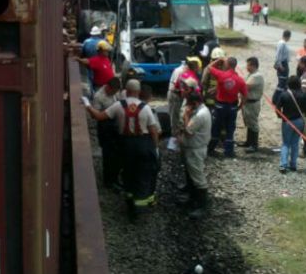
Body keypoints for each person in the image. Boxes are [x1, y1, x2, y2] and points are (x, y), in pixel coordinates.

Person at [85, 79, 160, 221]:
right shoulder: (146, 108)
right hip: (143, 143)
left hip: (125, 145)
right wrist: (155, 148)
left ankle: (129, 202)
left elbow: (99, 116)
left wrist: (88, 105)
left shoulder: (118, 105)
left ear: (126, 90)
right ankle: (139, 209)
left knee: (128, 172)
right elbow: (153, 130)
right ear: (138, 92)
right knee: (142, 173)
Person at [177, 91, 213, 219]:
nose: (187, 106)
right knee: (191, 175)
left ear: (195, 103)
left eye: (189, 104)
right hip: (193, 148)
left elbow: (188, 132)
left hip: (195, 150)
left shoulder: (200, 115)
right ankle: (192, 199)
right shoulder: (202, 109)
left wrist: (186, 116)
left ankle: (202, 207)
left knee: (198, 177)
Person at [83, 77, 123, 189]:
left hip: (114, 126)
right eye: (114, 91)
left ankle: (115, 178)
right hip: (105, 127)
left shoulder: (114, 93)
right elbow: (94, 115)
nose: (115, 93)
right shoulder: (99, 97)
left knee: (117, 155)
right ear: (108, 87)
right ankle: (109, 182)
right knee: (108, 156)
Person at [206, 56, 248, 158]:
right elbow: (245, 96)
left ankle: (210, 149)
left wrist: (218, 60)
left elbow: (209, 67)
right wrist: (240, 106)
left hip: (220, 106)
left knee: (216, 128)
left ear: (227, 64)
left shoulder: (221, 75)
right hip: (232, 107)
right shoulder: (240, 80)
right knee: (230, 129)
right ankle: (229, 152)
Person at [274, 76, 306, 173]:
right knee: (295, 143)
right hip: (299, 121)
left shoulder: (284, 94)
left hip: (287, 121)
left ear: (288, 84)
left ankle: (283, 165)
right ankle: (293, 165)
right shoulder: (303, 95)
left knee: (286, 143)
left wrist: (280, 116)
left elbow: (277, 108)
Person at [240, 57, 265, 153]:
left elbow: (245, 86)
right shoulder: (252, 74)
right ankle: (248, 142)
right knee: (249, 123)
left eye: (248, 65)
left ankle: (254, 145)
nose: (246, 67)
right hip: (248, 103)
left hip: (252, 103)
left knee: (253, 123)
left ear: (253, 65)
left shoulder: (256, 76)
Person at [201, 47, 227, 114]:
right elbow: (203, 82)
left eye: (220, 61)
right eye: (216, 61)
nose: (218, 64)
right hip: (210, 100)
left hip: (221, 101)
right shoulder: (208, 70)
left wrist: (216, 88)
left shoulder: (226, 70)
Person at [168, 60, 188, 138]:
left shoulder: (182, 70)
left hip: (178, 95)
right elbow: (175, 88)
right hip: (175, 96)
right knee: (175, 119)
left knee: (178, 117)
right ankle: (174, 140)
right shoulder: (180, 71)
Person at [273, 30, 292, 104]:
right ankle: (276, 99)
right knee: (282, 83)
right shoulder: (282, 44)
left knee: (284, 83)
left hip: (284, 63)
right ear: (288, 36)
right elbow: (278, 55)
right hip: (282, 64)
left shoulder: (283, 43)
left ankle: (281, 99)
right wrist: (280, 65)